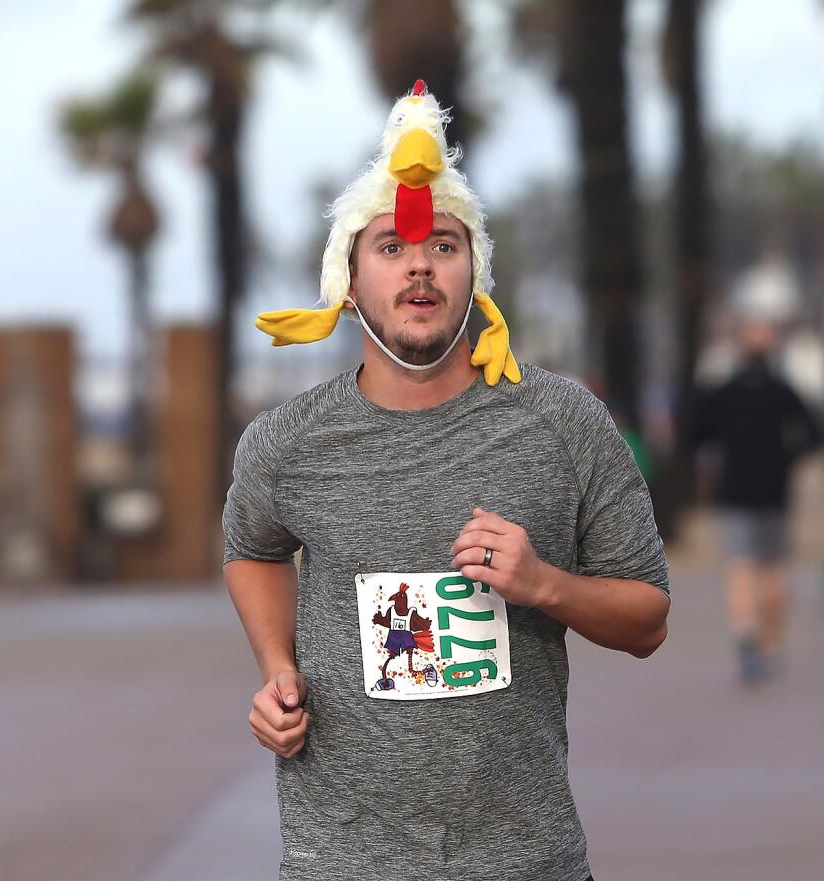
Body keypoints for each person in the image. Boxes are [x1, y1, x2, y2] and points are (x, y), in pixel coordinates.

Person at [221, 81, 669, 881]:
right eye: (390, 247)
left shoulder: (562, 422)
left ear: (475, 273)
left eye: (444, 246)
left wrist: (544, 584)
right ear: (348, 282)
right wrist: (275, 669)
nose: (419, 266)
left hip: (526, 858)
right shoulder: (287, 443)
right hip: (341, 860)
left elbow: (647, 618)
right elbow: (251, 546)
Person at [693, 317, 821, 685]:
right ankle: (771, 643)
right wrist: (789, 458)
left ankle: (745, 634)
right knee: (773, 568)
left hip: (734, 490)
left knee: (740, 566)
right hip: (774, 491)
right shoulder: (783, 391)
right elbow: (816, 432)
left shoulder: (725, 391)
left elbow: (696, 431)